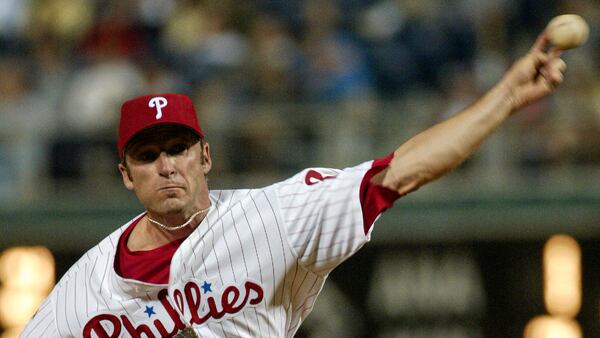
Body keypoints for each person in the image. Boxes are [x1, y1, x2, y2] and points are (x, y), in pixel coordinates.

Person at [21, 32, 566, 338]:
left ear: (205, 155)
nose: (167, 166)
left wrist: (506, 99)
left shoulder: (274, 219)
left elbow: (401, 171)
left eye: (179, 148)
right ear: (126, 175)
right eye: (148, 155)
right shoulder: (83, 290)